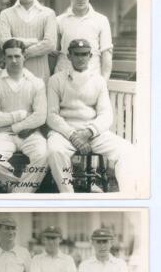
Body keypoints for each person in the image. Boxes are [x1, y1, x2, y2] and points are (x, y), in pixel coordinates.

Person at [47, 39, 136, 194]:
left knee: (127, 150)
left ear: (90, 56)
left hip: (92, 134)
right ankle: (68, 198)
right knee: (54, 150)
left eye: (85, 54)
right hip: (65, 133)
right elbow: (52, 115)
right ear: (69, 56)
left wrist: (88, 132)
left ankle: (127, 197)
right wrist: (73, 135)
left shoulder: (99, 81)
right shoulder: (56, 80)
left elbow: (106, 114)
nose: (81, 58)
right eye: (77, 54)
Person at [0, 38, 48, 193]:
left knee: (43, 155)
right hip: (2, 134)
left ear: (24, 57)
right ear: (4, 58)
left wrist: (16, 126)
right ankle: (20, 190)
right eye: (9, 57)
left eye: (17, 56)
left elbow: (40, 115)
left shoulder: (37, 83)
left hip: (30, 133)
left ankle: (16, 195)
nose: (14, 60)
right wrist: (20, 115)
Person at [0, 0, 56, 83]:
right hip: (14, 74)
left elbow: (50, 44)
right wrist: (34, 41)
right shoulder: (6, 14)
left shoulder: (48, 13)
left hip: (40, 73)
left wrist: (21, 52)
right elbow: (4, 43)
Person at [55, 0, 113, 79]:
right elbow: (53, 53)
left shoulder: (101, 20)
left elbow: (106, 55)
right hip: (64, 79)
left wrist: (103, 82)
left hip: (91, 79)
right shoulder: (59, 21)